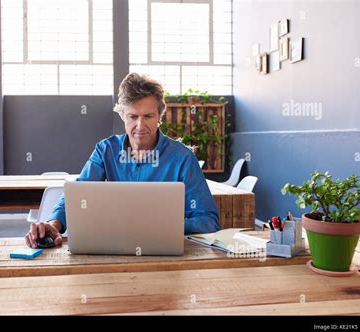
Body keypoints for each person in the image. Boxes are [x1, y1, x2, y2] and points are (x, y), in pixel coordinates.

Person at [25, 73, 220, 248]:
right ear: (122, 116)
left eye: (148, 116)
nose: (140, 125)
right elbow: (79, 193)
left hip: (166, 250)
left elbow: (208, 220)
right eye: (133, 116)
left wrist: (159, 227)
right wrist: (54, 224)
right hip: (114, 249)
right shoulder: (106, 150)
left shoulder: (183, 158)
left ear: (159, 116)